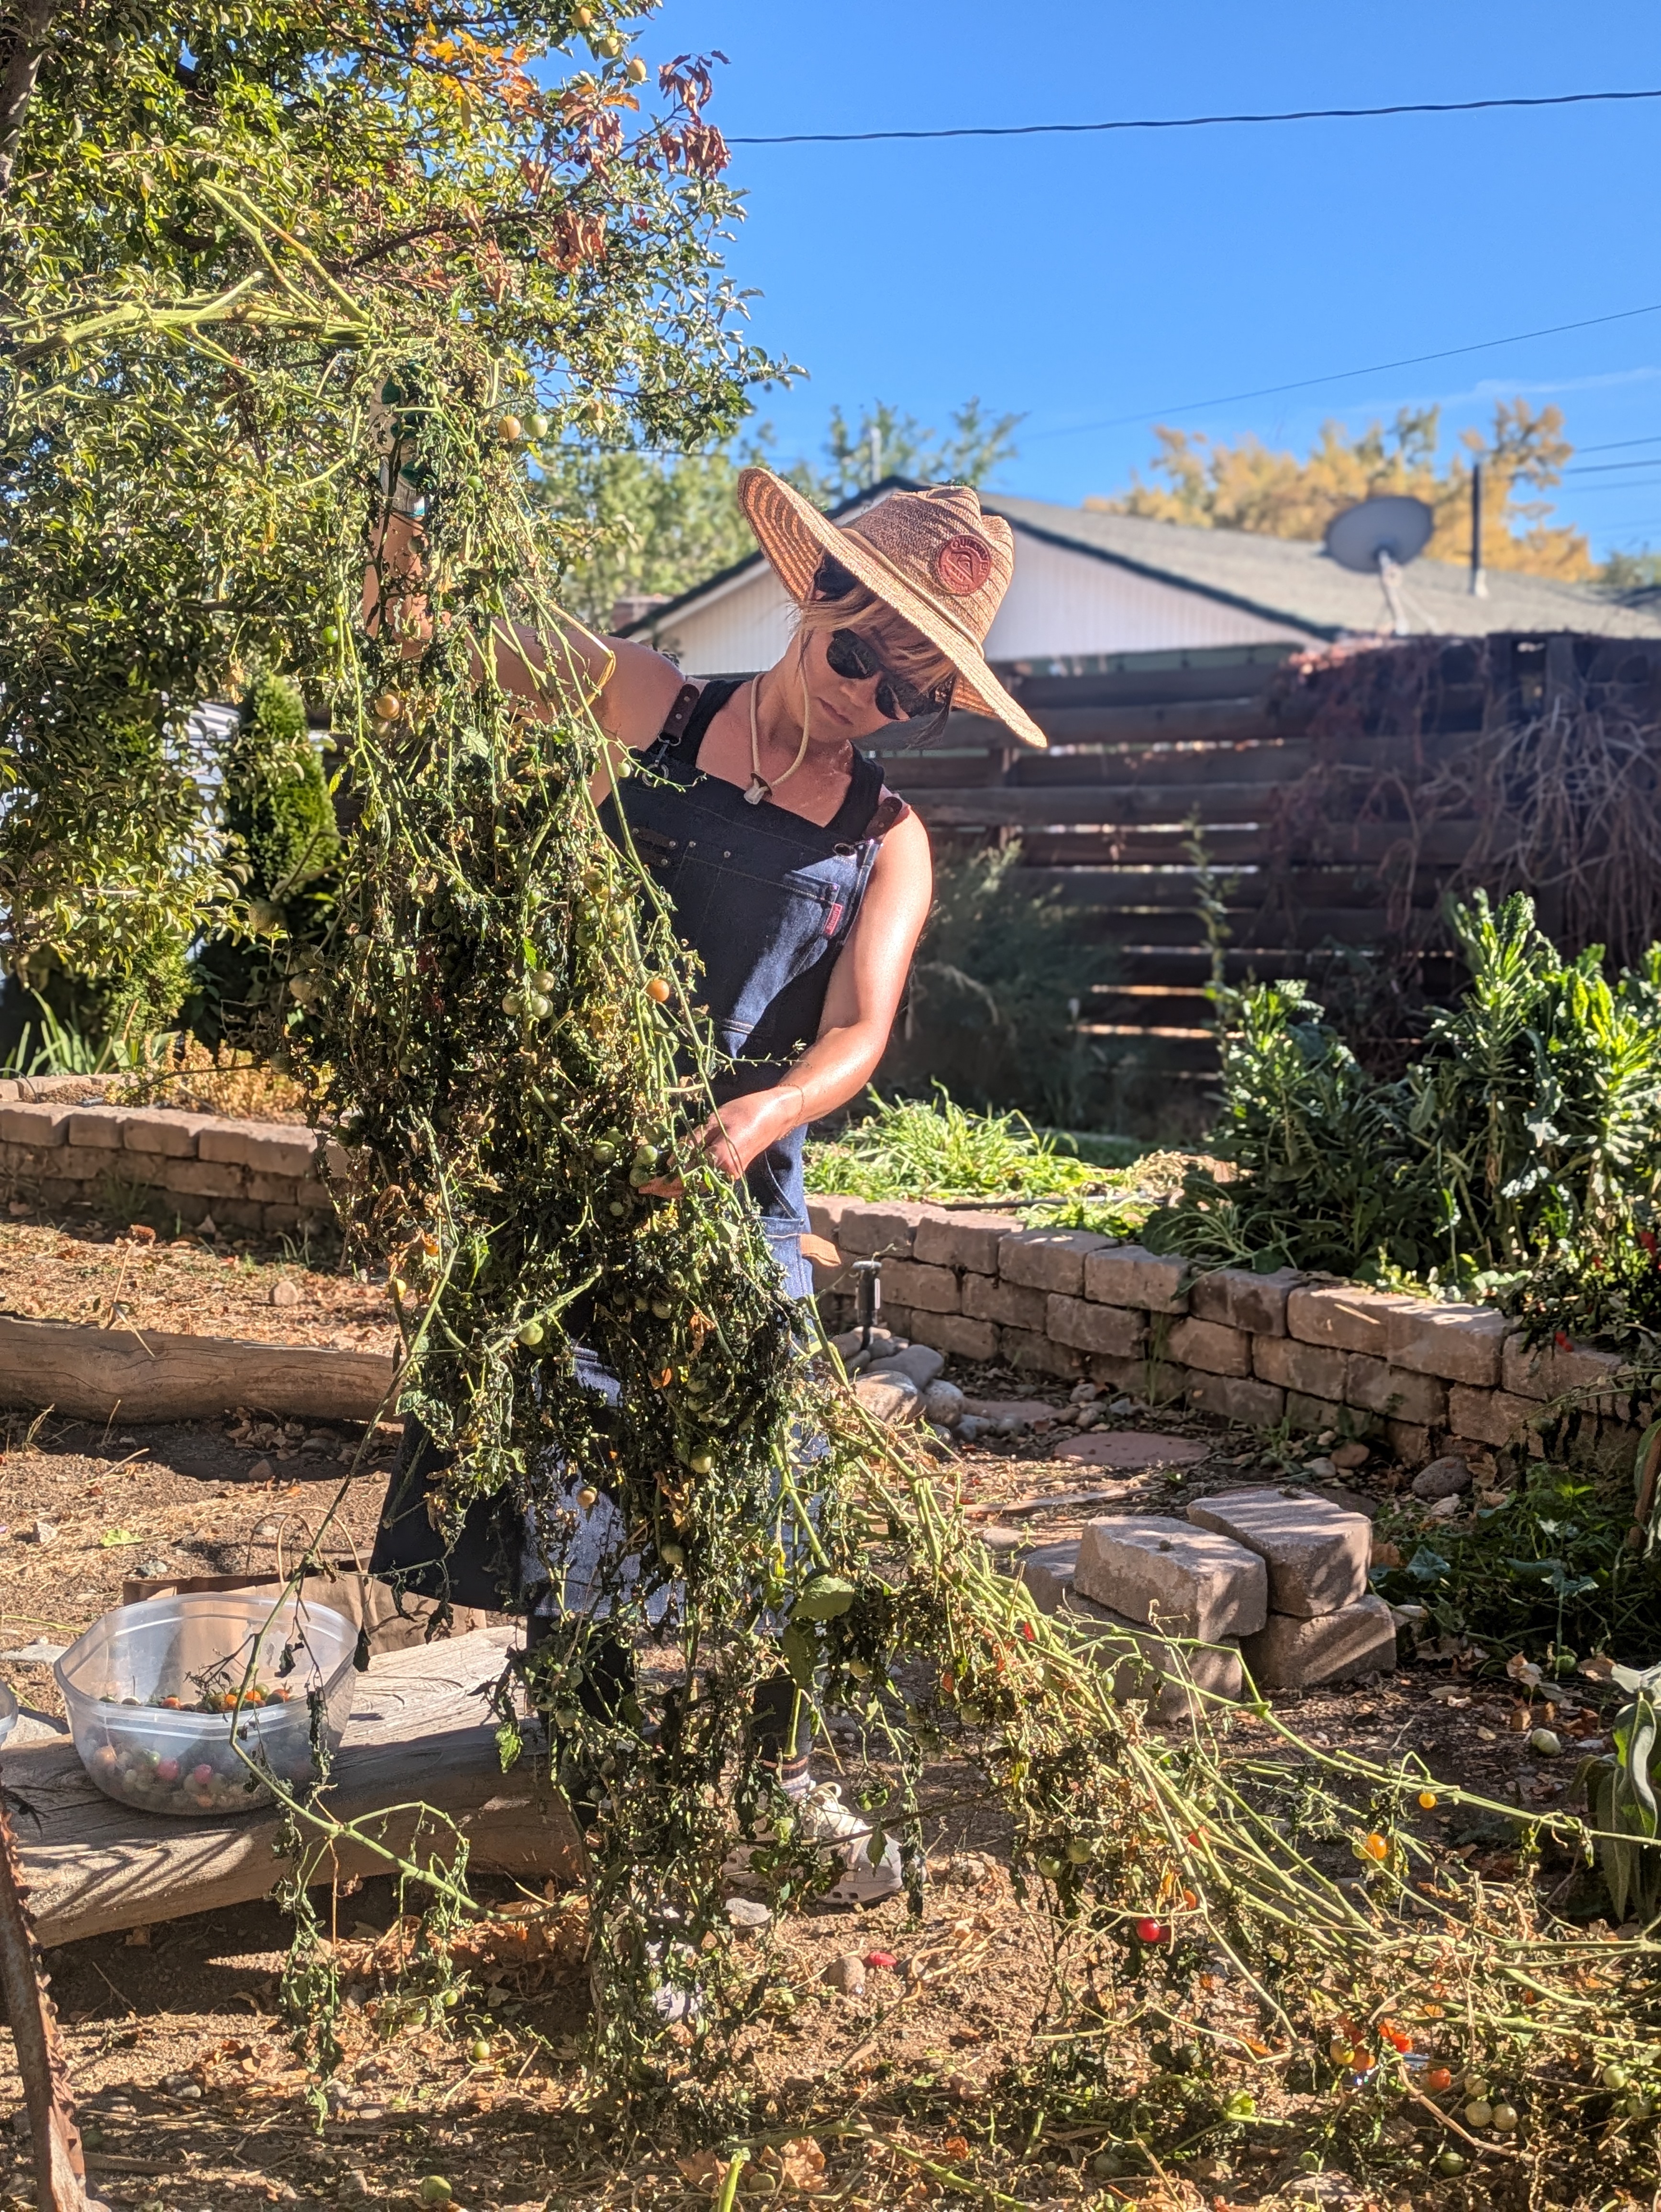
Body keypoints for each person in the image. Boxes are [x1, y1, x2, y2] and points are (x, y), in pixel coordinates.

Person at [369, 466, 1044, 1901]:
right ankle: (631, 1858)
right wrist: (410, 493)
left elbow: (860, 1031)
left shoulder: (885, 836)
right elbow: (436, 636)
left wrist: (763, 1115)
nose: (871, 697)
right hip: (571, 1169)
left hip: (733, 1203)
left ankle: (777, 1785)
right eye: (863, 655)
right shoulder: (652, 703)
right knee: (574, 1524)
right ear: (821, 595)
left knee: (762, 1522)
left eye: (911, 692)